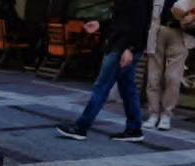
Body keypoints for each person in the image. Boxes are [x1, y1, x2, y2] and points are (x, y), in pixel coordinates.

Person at [56, 0, 153, 142]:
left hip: (121, 47)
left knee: (102, 86)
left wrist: (130, 48)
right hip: (121, 45)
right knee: (128, 89)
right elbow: (121, 19)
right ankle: (134, 129)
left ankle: (81, 127)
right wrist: (100, 24)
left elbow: (139, 22)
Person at [143, 0, 195, 130]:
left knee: (173, 78)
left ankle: (166, 115)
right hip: (157, 31)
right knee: (153, 78)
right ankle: (153, 114)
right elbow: (146, 12)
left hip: (181, 35)